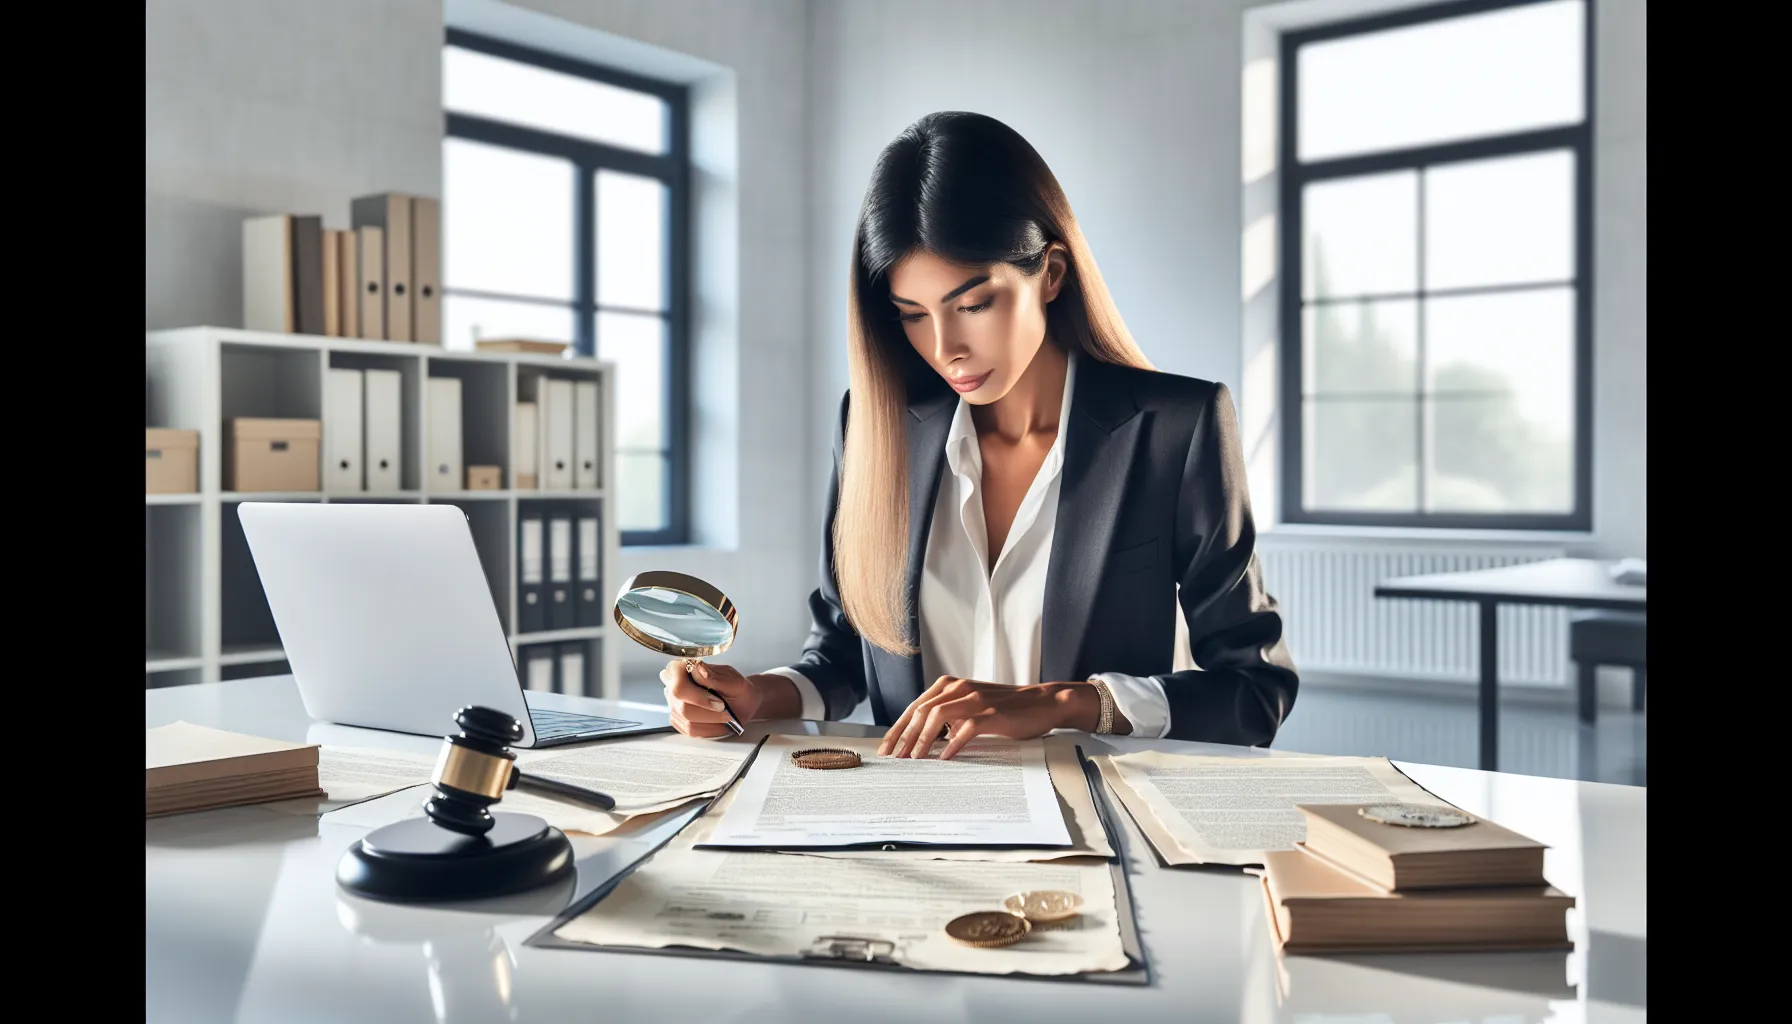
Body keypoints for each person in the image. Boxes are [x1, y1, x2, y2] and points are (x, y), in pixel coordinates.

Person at [663, 111, 1298, 758]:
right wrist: (753, 694)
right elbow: (842, 660)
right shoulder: (873, 427)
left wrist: (1065, 703)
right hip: (902, 821)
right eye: (913, 315)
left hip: (1092, 831)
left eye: (973, 305)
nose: (946, 349)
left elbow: (1254, 691)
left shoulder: (1174, 430)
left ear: (1051, 273)